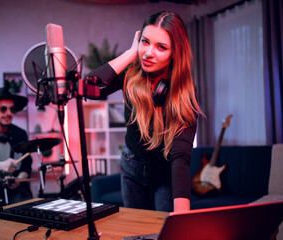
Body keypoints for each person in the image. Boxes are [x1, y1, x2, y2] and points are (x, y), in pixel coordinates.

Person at [87, 11, 204, 212]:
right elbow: (89, 89)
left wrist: (183, 219)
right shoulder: (131, 73)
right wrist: (132, 53)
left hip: (166, 173)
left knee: (165, 231)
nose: (149, 53)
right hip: (131, 168)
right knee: (137, 232)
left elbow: (181, 158)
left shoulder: (185, 98)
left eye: (161, 47)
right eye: (145, 42)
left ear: (175, 53)